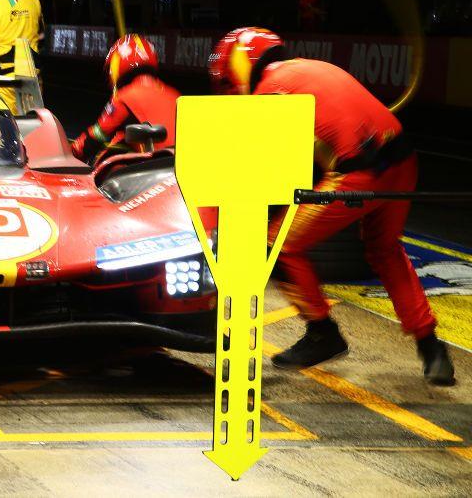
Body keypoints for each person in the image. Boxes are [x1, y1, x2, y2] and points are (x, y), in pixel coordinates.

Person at [208, 26, 454, 385]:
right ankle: (432, 349)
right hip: (402, 159)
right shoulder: (310, 67)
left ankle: (322, 331)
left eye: (229, 84)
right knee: (385, 250)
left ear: (240, 67)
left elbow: (263, 174)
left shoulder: (268, 93)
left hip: (358, 172)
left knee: (278, 244)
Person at [71, 34, 178, 165]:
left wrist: (71, 154)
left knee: (106, 165)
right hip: (182, 169)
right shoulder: (175, 95)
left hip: (157, 170)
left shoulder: (125, 97)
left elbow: (96, 136)